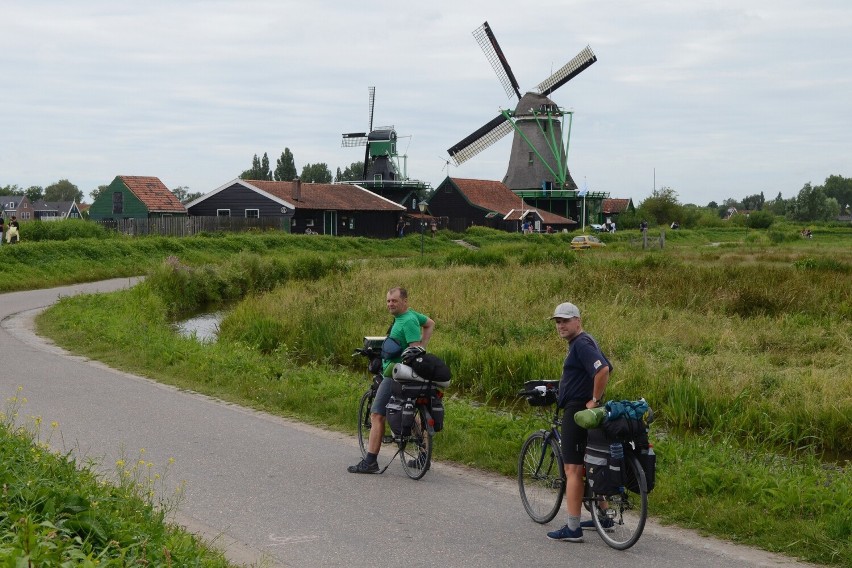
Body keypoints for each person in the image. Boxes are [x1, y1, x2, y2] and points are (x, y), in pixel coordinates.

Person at [348, 287, 435, 474]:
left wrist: (420, 347)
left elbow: (413, 350)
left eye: (394, 301)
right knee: (410, 413)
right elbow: (430, 323)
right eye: (388, 301)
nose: (390, 304)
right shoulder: (412, 316)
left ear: (404, 301)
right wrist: (423, 345)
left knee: (377, 414)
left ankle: (370, 461)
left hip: (395, 374)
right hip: (400, 372)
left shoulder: (408, 321)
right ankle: (423, 455)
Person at [546, 302, 612, 542]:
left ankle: (573, 528)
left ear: (578, 321)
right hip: (585, 412)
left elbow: (602, 370)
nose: (561, 325)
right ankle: (603, 515)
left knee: (572, 469)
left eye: (565, 320)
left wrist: (593, 400)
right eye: (557, 322)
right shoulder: (585, 341)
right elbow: (605, 368)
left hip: (578, 412)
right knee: (588, 461)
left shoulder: (581, 344)